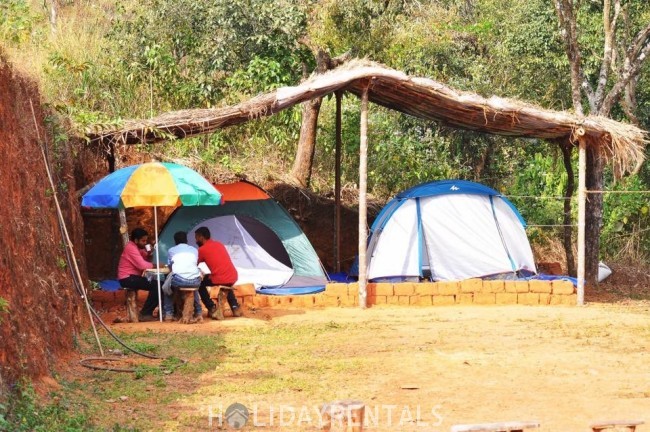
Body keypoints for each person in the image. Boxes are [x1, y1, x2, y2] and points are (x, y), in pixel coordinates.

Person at [195, 226, 243, 319]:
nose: (196, 240)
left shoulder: (202, 250)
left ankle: (211, 307)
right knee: (226, 285)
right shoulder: (219, 244)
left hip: (220, 277)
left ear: (201, 237)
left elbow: (194, 264)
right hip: (233, 275)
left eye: (196, 238)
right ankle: (235, 307)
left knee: (199, 283)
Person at [117, 228, 159, 322]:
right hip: (127, 278)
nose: (145, 243)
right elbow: (142, 265)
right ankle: (145, 313)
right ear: (136, 240)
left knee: (159, 284)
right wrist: (156, 265)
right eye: (143, 241)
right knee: (157, 285)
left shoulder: (135, 247)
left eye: (146, 240)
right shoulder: (131, 248)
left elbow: (144, 257)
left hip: (132, 277)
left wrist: (149, 253)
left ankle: (155, 311)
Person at [162, 231, 202, 322]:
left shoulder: (171, 250)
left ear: (175, 241)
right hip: (196, 281)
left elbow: (170, 267)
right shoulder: (194, 250)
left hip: (180, 280)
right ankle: (199, 312)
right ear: (186, 240)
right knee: (192, 287)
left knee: (166, 287)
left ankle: (169, 313)